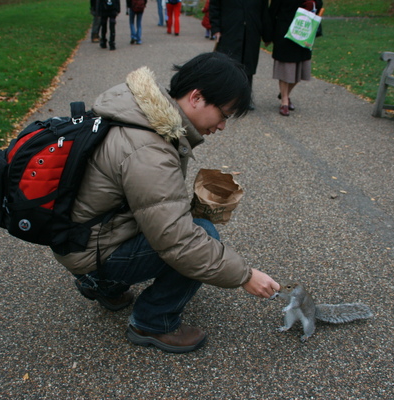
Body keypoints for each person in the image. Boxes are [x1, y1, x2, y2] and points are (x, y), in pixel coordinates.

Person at [53, 52, 280, 353]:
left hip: (83, 238)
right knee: (202, 236)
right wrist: (245, 275)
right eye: (224, 114)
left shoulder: (139, 113)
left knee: (186, 227)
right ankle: (152, 321)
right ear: (196, 97)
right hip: (92, 250)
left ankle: (103, 285)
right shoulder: (149, 148)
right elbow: (178, 241)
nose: (223, 125)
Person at [209, 0, 272, 109]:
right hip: (229, 31)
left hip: (252, 32)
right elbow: (214, 6)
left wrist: (267, 35)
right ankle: (226, 98)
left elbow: (264, 13)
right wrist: (216, 28)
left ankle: (244, 100)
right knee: (228, 65)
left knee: (248, 67)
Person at [270, 0, 322, 116]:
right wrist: (269, 34)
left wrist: (314, 3)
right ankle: (284, 102)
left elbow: (319, 3)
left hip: (304, 32)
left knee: (300, 69)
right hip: (285, 32)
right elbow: (273, 11)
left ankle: (285, 94)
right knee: (285, 68)